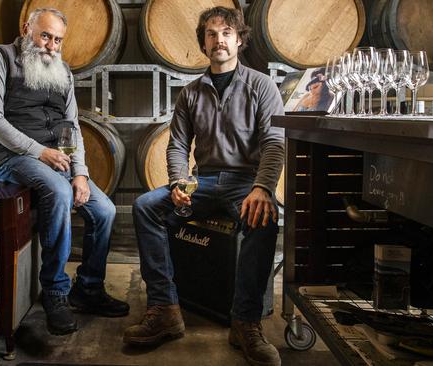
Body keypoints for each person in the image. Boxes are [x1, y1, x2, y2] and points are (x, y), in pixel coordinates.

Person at [123, 6, 284, 366]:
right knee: (146, 206)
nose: (218, 40)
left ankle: (244, 321)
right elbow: (178, 145)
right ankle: (164, 308)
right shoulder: (191, 92)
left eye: (226, 33)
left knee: (264, 218)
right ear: (204, 44)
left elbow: (275, 143)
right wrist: (179, 181)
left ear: (239, 39)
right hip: (204, 181)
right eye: (211, 34)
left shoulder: (262, 86)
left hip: (246, 182)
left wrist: (263, 187)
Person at [0, 7, 129, 336]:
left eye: (57, 40)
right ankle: (55, 291)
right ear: (26, 29)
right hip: (12, 157)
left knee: (104, 210)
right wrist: (39, 151)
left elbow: (72, 126)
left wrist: (80, 172)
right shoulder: (1, 59)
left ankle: (88, 289)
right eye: (45, 35)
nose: (50, 45)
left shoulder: (63, 71)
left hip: (55, 158)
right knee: (58, 192)